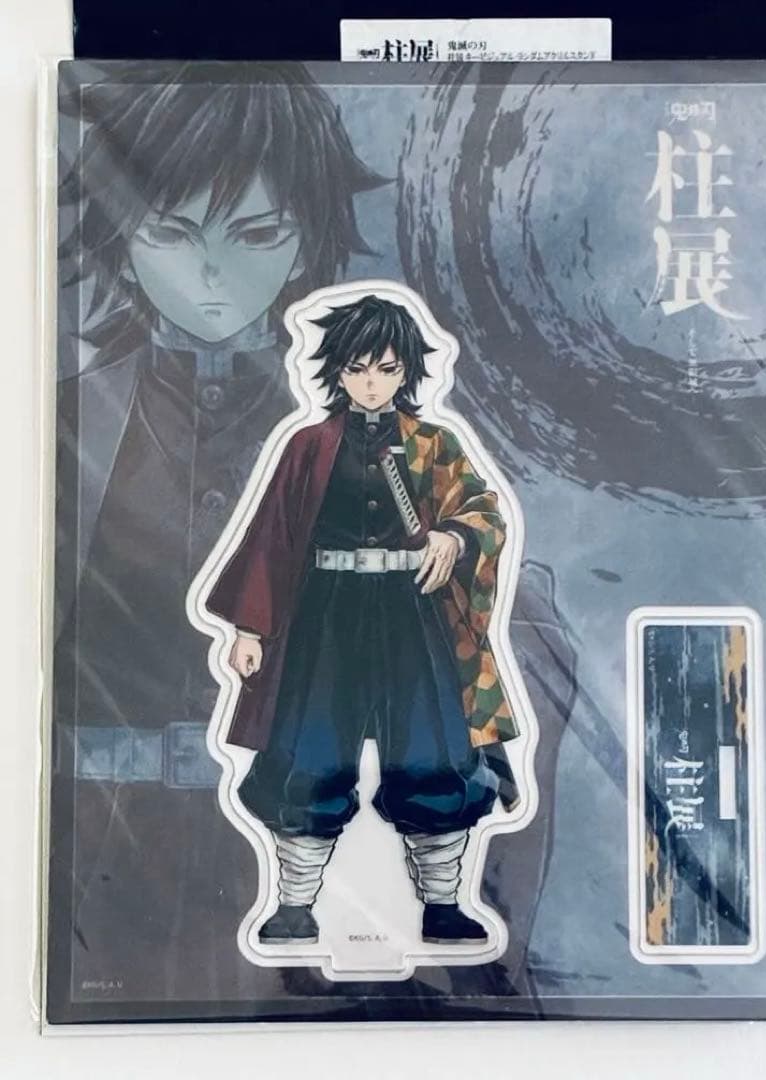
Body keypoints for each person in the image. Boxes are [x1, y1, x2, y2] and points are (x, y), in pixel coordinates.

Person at [53, 61, 383, 997]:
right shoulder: (61, 423)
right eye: (169, 233)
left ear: (308, 237)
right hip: (93, 869)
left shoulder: (363, 434)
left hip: (317, 858)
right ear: (121, 237)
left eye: (257, 234)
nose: (209, 275)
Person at [205, 294, 521, 946]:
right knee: (309, 751)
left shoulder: (434, 443)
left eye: (385, 368)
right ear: (337, 371)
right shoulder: (308, 445)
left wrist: (453, 537)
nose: (371, 382)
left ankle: (442, 905)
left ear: (406, 370)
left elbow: (484, 511)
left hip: (413, 613)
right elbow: (272, 536)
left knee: (432, 752)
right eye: (357, 368)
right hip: (326, 615)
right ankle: (294, 903)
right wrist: (249, 628)